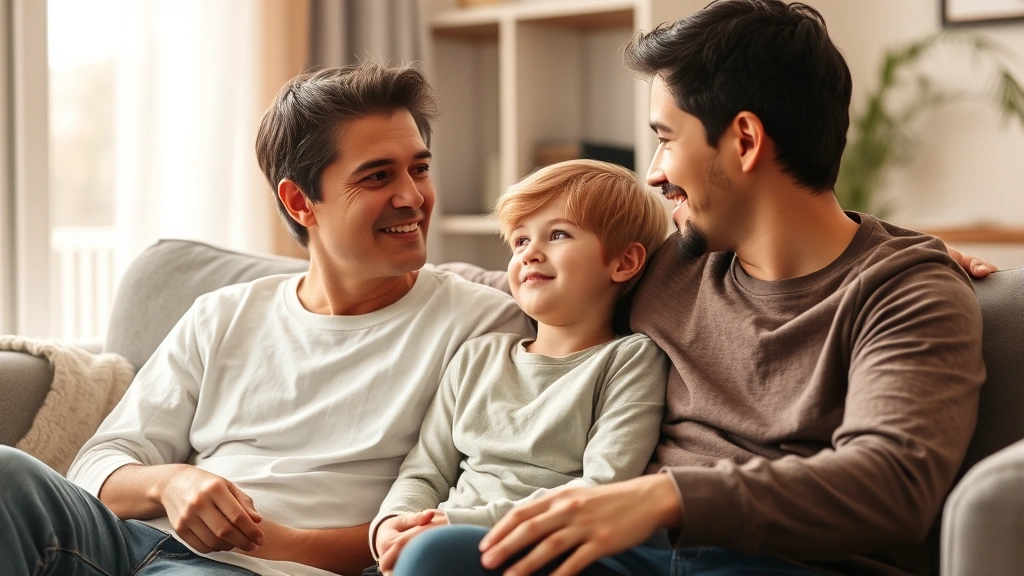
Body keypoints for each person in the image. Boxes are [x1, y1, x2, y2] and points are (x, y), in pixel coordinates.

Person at [392, 1, 987, 575]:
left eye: (667, 138)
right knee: (434, 558)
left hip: (785, 565)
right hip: (633, 557)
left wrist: (666, 498)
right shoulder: (673, 266)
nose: (652, 172)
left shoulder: (905, 292)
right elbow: (516, 280)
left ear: (745, 141)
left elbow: (892, 482)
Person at [0, 62, 532, 576]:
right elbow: (99, 464)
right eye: (377, 177)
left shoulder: (485, 326)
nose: (413, 197)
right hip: (122, 542)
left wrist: (285, 545)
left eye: (419, 168)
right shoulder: (224, 313)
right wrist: (170, 483)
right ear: (300, 201)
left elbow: (473, 508)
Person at [370, 159, 672, 574]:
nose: (530, 253)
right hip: (441, 539)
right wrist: (391, 524)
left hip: (541, 547)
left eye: (558, 234)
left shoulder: (630, 360)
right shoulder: (478, 356)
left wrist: (455, 523)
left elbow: (603, 488)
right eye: (519, 241)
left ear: (623, 263)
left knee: (431, 556)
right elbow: (425, 470)